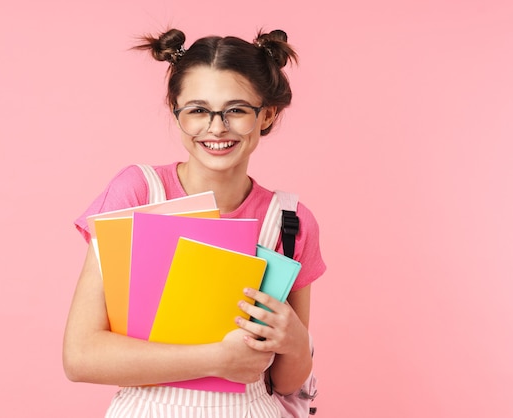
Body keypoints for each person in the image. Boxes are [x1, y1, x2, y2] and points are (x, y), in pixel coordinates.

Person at [63, 27, 327, 418]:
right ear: (176, 111)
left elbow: (287, 384)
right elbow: (81, 356)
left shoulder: (290, 221)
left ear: (267, 113)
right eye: (198, 110)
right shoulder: (138, 193)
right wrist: (215, 359)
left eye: (236, 109)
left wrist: (293, 340)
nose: (216, 127)